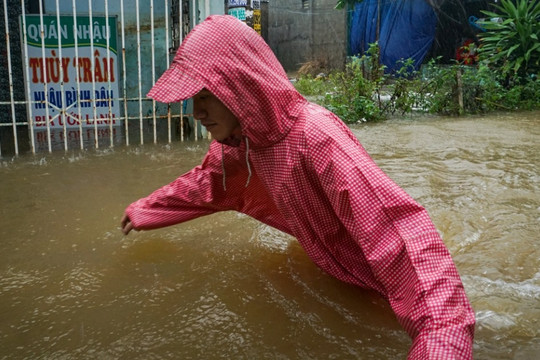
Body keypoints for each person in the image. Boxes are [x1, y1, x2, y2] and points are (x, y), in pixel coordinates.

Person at [121, 15, 475, 359]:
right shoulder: (239, 145)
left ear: (239, 85)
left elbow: (399, 232)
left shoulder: (316, 138)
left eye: (204, 96)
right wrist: (146, 209)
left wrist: (442, 328)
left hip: (381, 281)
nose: (196, 112)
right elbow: (207, 182)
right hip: (339, 274)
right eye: (192, 99)